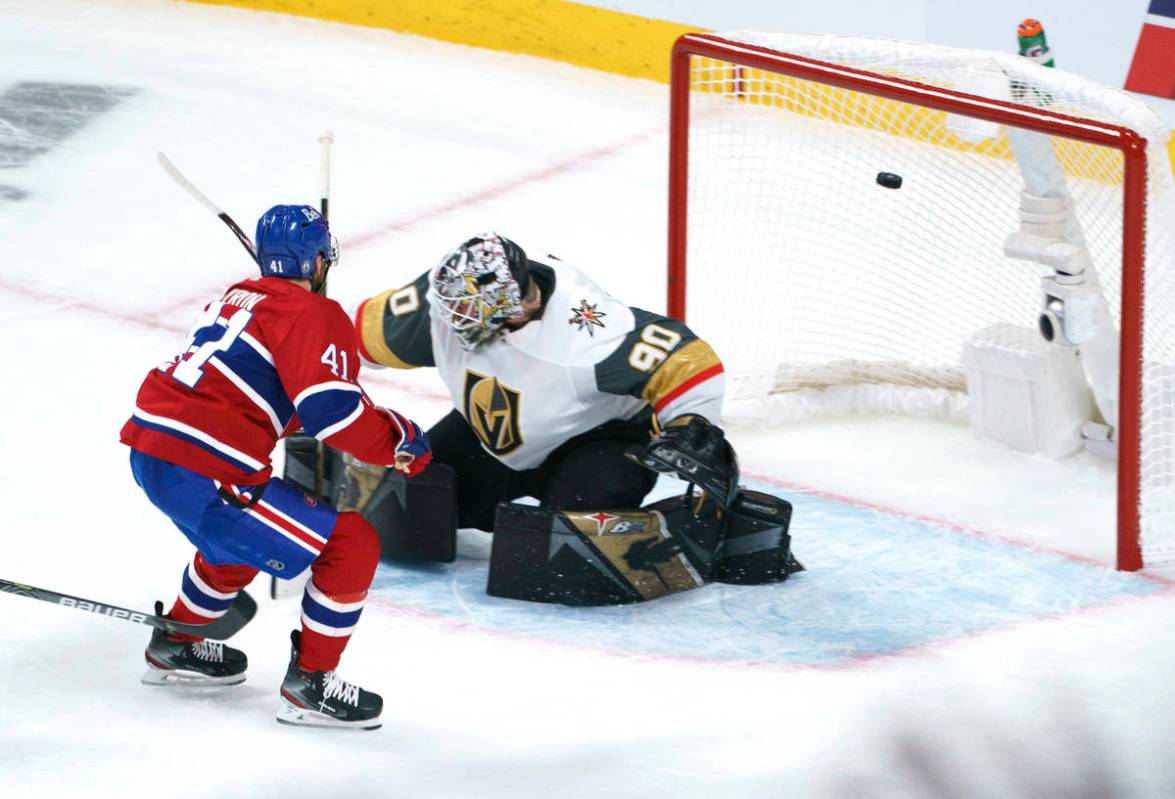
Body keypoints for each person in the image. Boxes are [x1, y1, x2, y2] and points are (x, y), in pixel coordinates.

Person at [120, 204, 431, 730]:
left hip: (153, 450)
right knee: (350, 544)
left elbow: (265, 397)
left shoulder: (235, 298)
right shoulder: (313, 314)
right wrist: (396, 441)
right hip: (205, 465)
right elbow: (330, 414)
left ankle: (178, 642)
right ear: (317, 262)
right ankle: (311, 685)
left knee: (234, 547)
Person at [351, 232, 731, 536]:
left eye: (465, 310)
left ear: (509, 306)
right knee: (411, 499)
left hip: (598, 439)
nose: (450, 317)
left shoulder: (587, 332)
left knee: (565, 540)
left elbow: (687, 359)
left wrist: (691, 424)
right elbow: (354, 336)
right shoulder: (448, 301)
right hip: (494, 434)